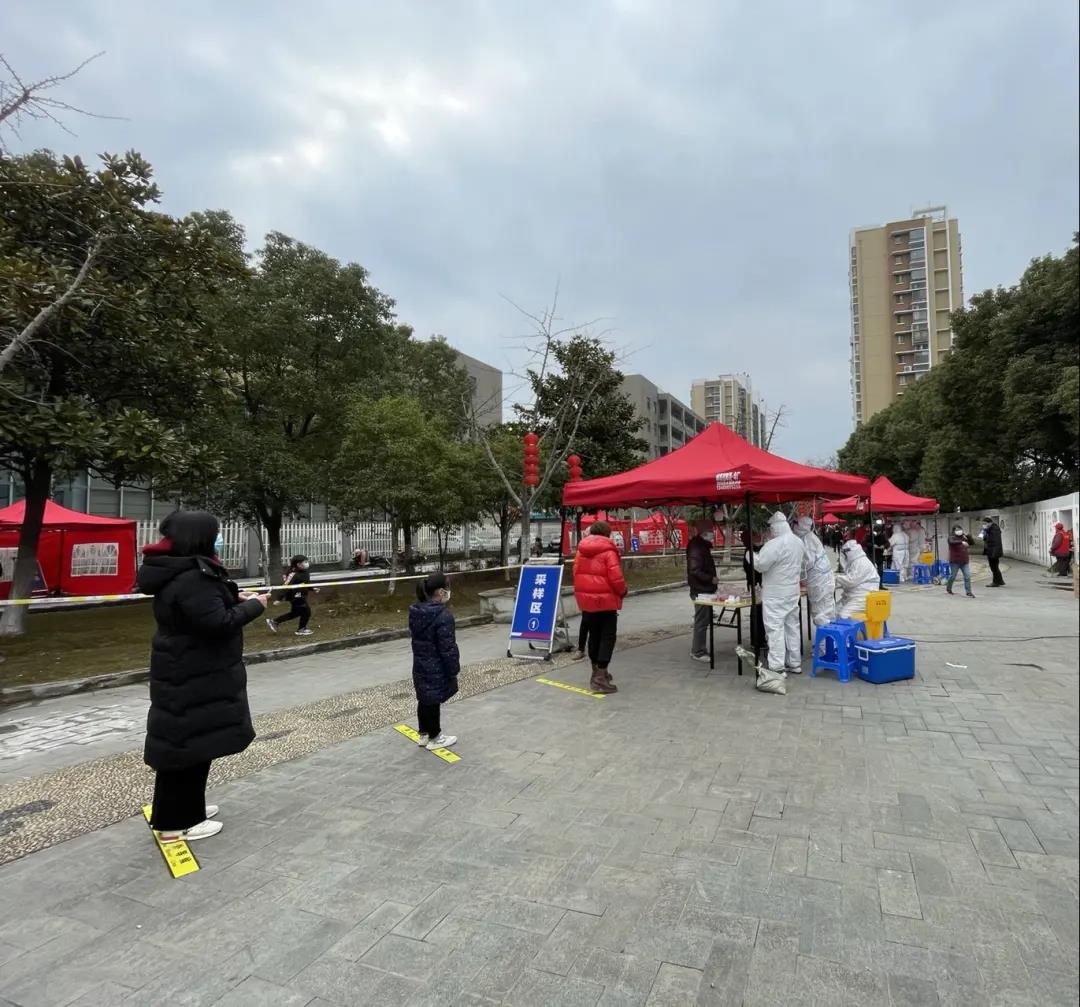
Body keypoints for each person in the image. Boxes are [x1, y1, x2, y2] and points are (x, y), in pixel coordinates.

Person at [137, 511, 268, 843]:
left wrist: (233, 597)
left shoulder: (181, 569)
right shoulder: (192, 577)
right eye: (215, 533)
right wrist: (255, 606)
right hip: (193, 673)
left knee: (192, 746)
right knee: (185, 750)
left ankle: (187, 808)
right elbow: (217, 623)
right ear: (200, 537)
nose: (219, 539)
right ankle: (176, 823)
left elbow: (202, 609)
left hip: (189, 670)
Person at [572, 520, 627, 694]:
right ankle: (601, 676)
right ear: (606, 533)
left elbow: (575, 572)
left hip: (587, 601)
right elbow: (616, 577)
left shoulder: (581, 551)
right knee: (607, 637)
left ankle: (596, 671)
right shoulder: (609, 551)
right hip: (605, 601)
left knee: (594, 636)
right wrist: (623, 591)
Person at [409, 572, 459, 751]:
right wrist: (453, 669)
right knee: (433, 701)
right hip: (436, 666)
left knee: (424, 698)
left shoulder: (416, 611)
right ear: (440, 592)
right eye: (447, 587)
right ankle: (435, 737)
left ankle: (423, 734)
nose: (449, 591)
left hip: (420, 664)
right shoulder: (443, 615)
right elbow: (448, 647)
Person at [754, 511, 805, 677]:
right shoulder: (798, 542)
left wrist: (750, 556)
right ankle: (794, 662)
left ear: (775, 528)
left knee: (775, 629)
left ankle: (777, 667)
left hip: (775, 595)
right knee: (792, 627)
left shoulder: (774, 544)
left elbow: (761, 565)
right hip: (793, 592)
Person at [794, 516, 836, 627]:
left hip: (818, 579)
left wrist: (799, 575)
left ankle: (825, 636)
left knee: (820, 612)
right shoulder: (810, 537)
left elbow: (807, 562)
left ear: (801, 526)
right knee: (827, 609)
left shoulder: (807, 540)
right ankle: (831, 634)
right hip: (823, 577)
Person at [687, 519, 719, 663]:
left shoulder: (702, 545)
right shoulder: (696, 547)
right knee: (701, 621)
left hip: (704, 588)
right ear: (703, 531)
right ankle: (698, 651)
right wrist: (710, 579)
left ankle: (700, 649)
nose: (712, 533)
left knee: (704, 620)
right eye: (710, 531)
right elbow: (694, 570)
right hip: (700, 590)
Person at [267, 554, 315, 636]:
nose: (307, 563)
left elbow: (306, 582)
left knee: (296, 613)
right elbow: (286, 586)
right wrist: (279, 599)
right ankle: (301, 629)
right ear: (298, 564)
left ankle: (275, 621)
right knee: (306, 612)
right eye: (305, 562)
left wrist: (312, 588)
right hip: (295, 596)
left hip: (302, 594)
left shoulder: (305, 572)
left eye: (307, 561)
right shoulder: (293, 574)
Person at [835, 539, 880, 618]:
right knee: (834, 612)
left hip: (863, 597)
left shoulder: (861, 562)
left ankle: (857, 626)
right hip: (854, 596)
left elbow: (851, 581)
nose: (844, 556)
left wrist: (836, 578)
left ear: (850, 552)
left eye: (845, 554)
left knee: (844, 615)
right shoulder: (855, 562)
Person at [946, 525, 976, 597]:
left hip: (964, 561)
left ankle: (968, 592)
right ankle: (949, 588)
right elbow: (952, 542)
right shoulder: (951, 537)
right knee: (953, 576)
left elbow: (972, 543)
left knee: (967, 576)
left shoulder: (964, 537)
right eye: (957, 530)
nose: (959, 531)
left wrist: (969, 537)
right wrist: (961, 542)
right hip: (955, 561)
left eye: (960, 529)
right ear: (954, 531)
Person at [981, 517, 1005, 587]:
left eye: (985, 523)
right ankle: (999, 581)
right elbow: (985, 538)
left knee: (994, 567)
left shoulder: (994, 530)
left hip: (994, 551)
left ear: (990, 523)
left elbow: (996, 542)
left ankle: (996, 582)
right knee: (994, 567)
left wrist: (994, 553)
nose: (984, 525)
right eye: (983, 524)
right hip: (991, 551)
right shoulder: (989, 529)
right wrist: (984, 532)